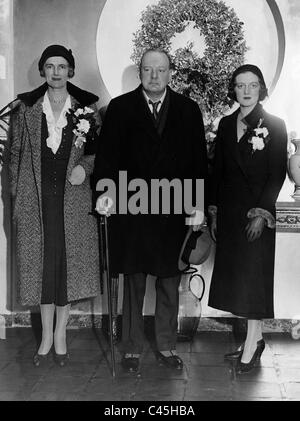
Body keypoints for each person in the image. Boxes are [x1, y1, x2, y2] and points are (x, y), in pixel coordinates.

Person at [94, 48, 207, 372]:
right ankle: (130, 349)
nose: (154, 76)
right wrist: (105, 196)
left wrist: (197, 205)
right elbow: (107, 160)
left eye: (160, 70)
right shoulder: (120, 108)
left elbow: (199, 162)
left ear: (171, 72)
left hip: (173, 209)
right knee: (134, 281)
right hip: (132, 210)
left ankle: (166, 346)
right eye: (147, 70)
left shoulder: (188, 110)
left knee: (169, 280)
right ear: (140, 72)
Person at [9, 44, 100, 367]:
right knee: (42, 271)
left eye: (62, 66)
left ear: (70, 70)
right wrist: (18, 201)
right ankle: (45, 337)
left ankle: (61, 336)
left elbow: (95, 154)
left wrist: (84, 168)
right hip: (38, 201)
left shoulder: (86, 109)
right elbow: (16, 157)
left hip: (71, 203)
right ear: (43, 71)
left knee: (66, 271)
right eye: (50, 66)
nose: (57, 72)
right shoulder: (27, 109)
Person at [208, 64, 287, 374]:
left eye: (252, 85)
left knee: (254, 281)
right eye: (240, 85)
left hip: (256, 216)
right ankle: (253, 339)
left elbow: (276, 175)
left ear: (261, 88)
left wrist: (262, 213)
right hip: (229, 215)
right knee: (239, 281)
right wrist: (213, 210)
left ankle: (253, 343)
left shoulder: (276, 126)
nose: (246, 91)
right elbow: (218, 172)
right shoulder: (226, 125)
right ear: (234, 89)